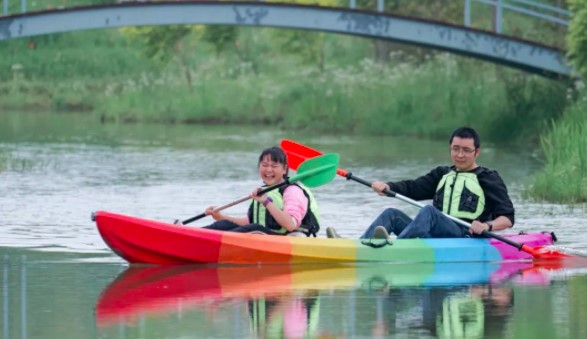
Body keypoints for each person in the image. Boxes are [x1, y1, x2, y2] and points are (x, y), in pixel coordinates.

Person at [327, 127, 514, 239]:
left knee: (428, 211)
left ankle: (395, 248)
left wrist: (487, 226)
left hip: (464, 235)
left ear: (477, 152)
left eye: (466, 150)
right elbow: (413, 187)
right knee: (391, 214)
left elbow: (507, 218)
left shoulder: (488, 178)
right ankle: (361, 246)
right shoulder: (442, 173)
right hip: (435, 233)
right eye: (455, 149)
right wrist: (388, 186)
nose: (460, 155)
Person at [202, 146, 320, 236]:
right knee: (225, 224)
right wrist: (219, 216)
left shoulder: (293, 191)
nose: (268, 170)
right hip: (265, 237)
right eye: (264, 165)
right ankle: (192, 235)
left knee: (255, 229)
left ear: (284, 169)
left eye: (274, 166)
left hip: (291, 240)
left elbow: (290, 225)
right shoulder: (263, 190)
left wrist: (266, 201)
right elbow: (247, 222)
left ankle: (210, 243)